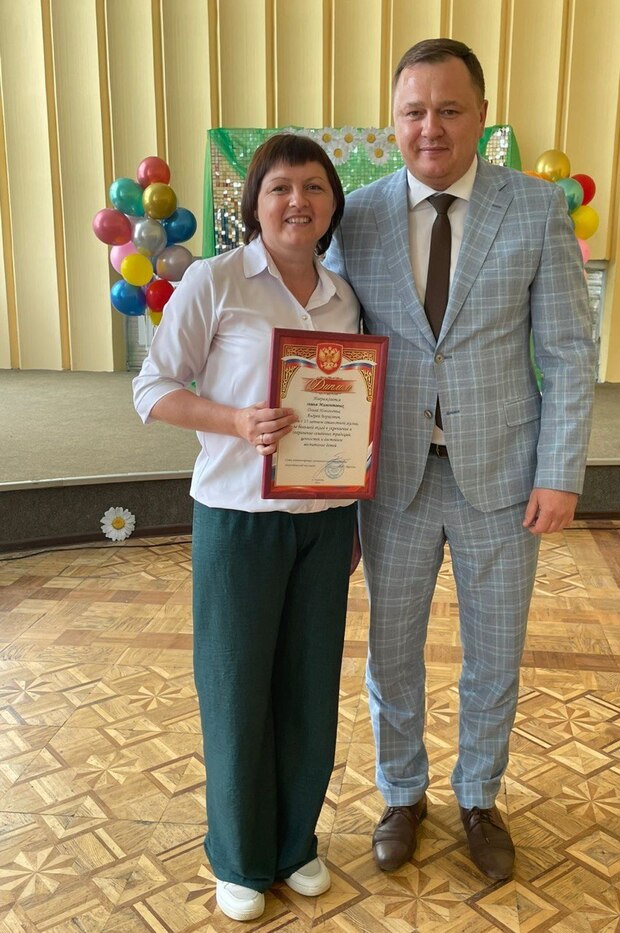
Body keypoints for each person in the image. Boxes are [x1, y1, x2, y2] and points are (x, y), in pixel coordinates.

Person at [325, 38, 596, 881]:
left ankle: (479, 796)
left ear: (481, 115)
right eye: (414, 112)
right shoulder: (357, 215)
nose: (430, 127)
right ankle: (402, 793)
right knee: (391, 654)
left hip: (503, 479)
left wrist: (560, 470)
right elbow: (329, 341)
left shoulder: (535, 208)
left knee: (495, 655)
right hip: (393, 481)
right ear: (393, 121)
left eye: (449, 109)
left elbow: (569, 352)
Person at [133, 133, 360, 922]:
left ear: (333, 203)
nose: (298, 201)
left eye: (314, 187)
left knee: (309, 688)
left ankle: (294, 842)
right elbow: (152, 387)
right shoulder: (216, 280)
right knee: (236, 689)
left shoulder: (343, 294)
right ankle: (238, 855)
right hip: (239, 520)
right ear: (254, 204)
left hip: (326, 521)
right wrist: (235, 420)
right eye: (280, 188)